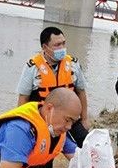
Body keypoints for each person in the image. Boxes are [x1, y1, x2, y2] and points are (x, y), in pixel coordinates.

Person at [17, 26, 90, 155]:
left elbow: (81, 92)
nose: (62, 48)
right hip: (44, 120)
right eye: (57, 45)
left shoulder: (73, 64)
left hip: (69, 118)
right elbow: (23, 99)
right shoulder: (32, 67)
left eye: (63, 43)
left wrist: (84, 119)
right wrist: (23, 125)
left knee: (87, 144)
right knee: (44, 162)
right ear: (45, 47)